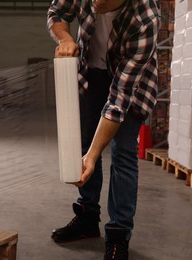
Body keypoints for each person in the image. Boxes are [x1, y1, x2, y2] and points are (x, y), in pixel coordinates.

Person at [47, 0, 160, 259]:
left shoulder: (146, 18)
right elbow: (57, 11)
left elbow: (120, 99)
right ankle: (87, 218)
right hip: (92, 73)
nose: (96, 1)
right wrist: (64, 38)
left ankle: (119, 234)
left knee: (122, 153)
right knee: (85, 143)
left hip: (131, 82)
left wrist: (95, 153)